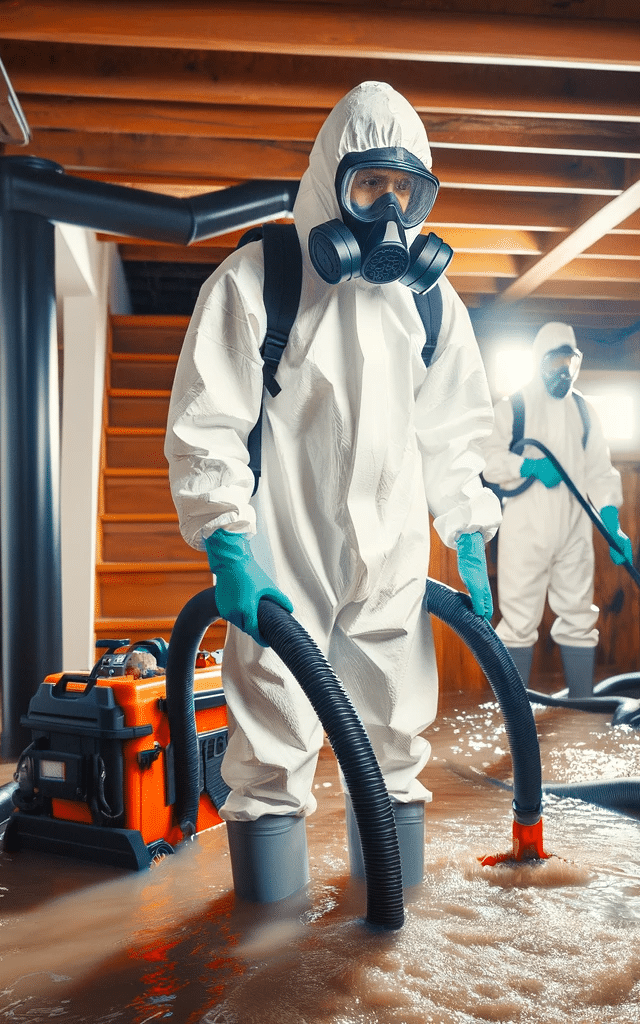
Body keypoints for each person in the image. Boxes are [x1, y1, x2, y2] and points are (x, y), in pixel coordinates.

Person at [165, 82, 502, 903]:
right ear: (328, 180)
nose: (388, 213)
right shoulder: (260, 279)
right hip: (285, 562)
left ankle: (391, 937)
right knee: (273, 751)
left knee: (392, 744)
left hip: (391, 560)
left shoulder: (428, 300)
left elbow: (456, 428)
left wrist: (466, 527)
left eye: (406, 192)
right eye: (368, 186)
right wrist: (227, 545)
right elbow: (207, 422)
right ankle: (270, 956)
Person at [482, 321, 632, 699]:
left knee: (580, 614)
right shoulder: (513, 406)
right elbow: (487, 459)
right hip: (525, 528)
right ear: (539, 362)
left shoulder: (583, 410)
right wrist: (527, 466)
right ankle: (516, 710)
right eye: (555, 363)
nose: (563, 372)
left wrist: (611, 521)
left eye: (570, 362)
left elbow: (600, 470)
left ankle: (582, 702)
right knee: (517, 620)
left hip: (575, 529)